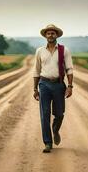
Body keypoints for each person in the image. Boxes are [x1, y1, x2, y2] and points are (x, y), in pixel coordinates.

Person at [32, 24, 74, 153]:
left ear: (57, 35)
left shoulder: (64, 50)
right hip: (44, 84)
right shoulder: (39, 51)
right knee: (44, 114)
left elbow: (69, 69)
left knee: (59, 114)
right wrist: (35, 89)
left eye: (53, 33)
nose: (50, 35)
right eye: (48, 33)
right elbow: (36, 70)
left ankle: (55, 129)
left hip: (58, 85)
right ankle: (48, 143)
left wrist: (70, 86)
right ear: (45, 36)